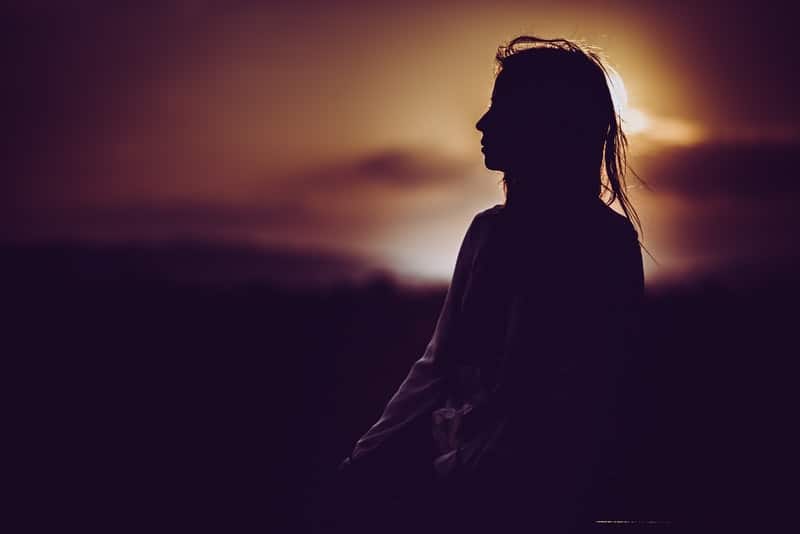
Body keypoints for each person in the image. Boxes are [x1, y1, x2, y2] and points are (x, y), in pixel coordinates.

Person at [335, 35, 646, 534]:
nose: (482, 124)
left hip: (526, 500)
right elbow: (438, 367)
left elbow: (571, 400)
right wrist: (365, 459)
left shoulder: (600, 244)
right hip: (463, 482)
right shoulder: (489, 233)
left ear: (545, 125)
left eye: (500, 109)